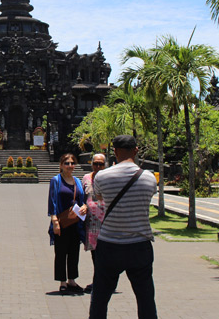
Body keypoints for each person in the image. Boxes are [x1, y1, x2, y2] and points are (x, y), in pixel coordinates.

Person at [89, 135, 158, 319]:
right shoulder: (149, 178)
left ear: (114, 151)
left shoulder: (102, 176)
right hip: (139, 244)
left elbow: (101, 199)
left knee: (100, 297)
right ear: (136, 150)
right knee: (145, 298)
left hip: (109, 244)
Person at [48, 153, 87, 294]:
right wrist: (54, 221)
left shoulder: (77, 181)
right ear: (61, 165)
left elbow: (83, 199)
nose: (70, 166)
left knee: (74, 252)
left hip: (75, 222)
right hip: (61, 221)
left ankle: (72, 280)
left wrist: (85, 207)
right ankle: (62, 281)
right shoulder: (56, 180)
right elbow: (52, 201)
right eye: (67, 163)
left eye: (72, 163)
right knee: (60, 252)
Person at [82, 153, 106, 293]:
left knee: (106, 253)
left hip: (107, 221)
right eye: (95, 164)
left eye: (101, 164)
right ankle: (97, 280)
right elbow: (83, 196)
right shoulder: (86, 178)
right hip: (92, 222)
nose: (98, 167)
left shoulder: (110, 179)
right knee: (95, 253)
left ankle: (103, 281)